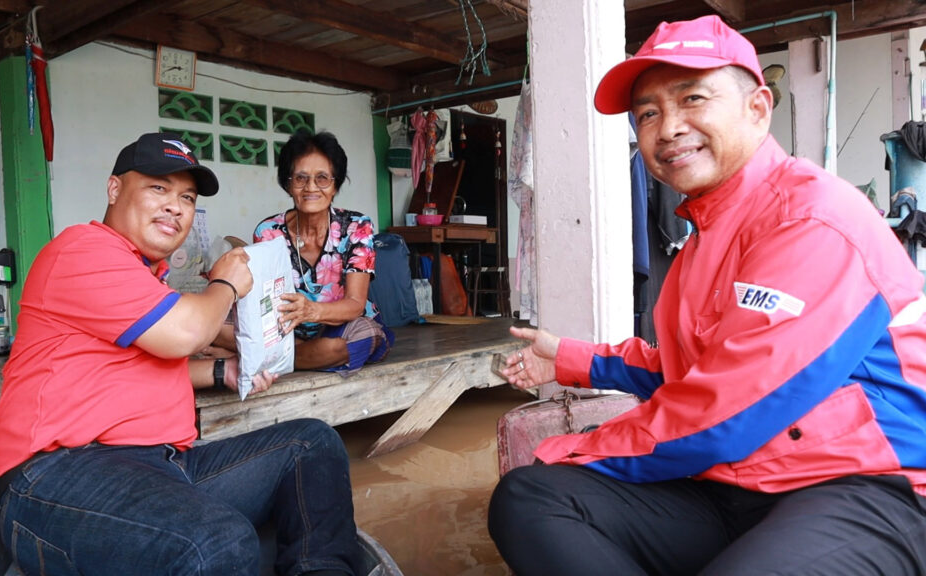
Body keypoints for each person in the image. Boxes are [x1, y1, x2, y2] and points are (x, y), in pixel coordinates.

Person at [488, 15, 926, 575]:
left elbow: (729, 409)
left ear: (757, 109)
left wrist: (578, 447)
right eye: (647, 113)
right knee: (531, 498)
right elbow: (685, 369)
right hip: (735, 480)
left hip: (857, 483)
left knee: (556, 468)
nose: (667, 128)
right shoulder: (703, 237)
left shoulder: (813, 218)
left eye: (692, 98)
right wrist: (568, 357)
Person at [0, 132, 361, 576]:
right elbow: (185, 333)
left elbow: (143, 367)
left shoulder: (144, 275)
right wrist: (226, 283)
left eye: (186, 196)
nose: (175, 206)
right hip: (57, 477)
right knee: (219, 543)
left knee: (310, 444)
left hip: (160, 466)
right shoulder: (83, 250)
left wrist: (224, 370)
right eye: (158, 188)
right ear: (114, 189)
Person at [252, 130, 393, 373]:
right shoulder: (268, 232)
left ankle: (273, 358)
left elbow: (355, 305)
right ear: (287, 185)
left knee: (363, 335)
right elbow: (264, 306)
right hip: (287, 331)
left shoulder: (356, 226)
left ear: (335, 185)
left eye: (322, 178)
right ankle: (294, 355)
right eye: (300, 178)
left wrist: (311, 310)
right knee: (221, 325)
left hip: (342, 326)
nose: (311, 188)